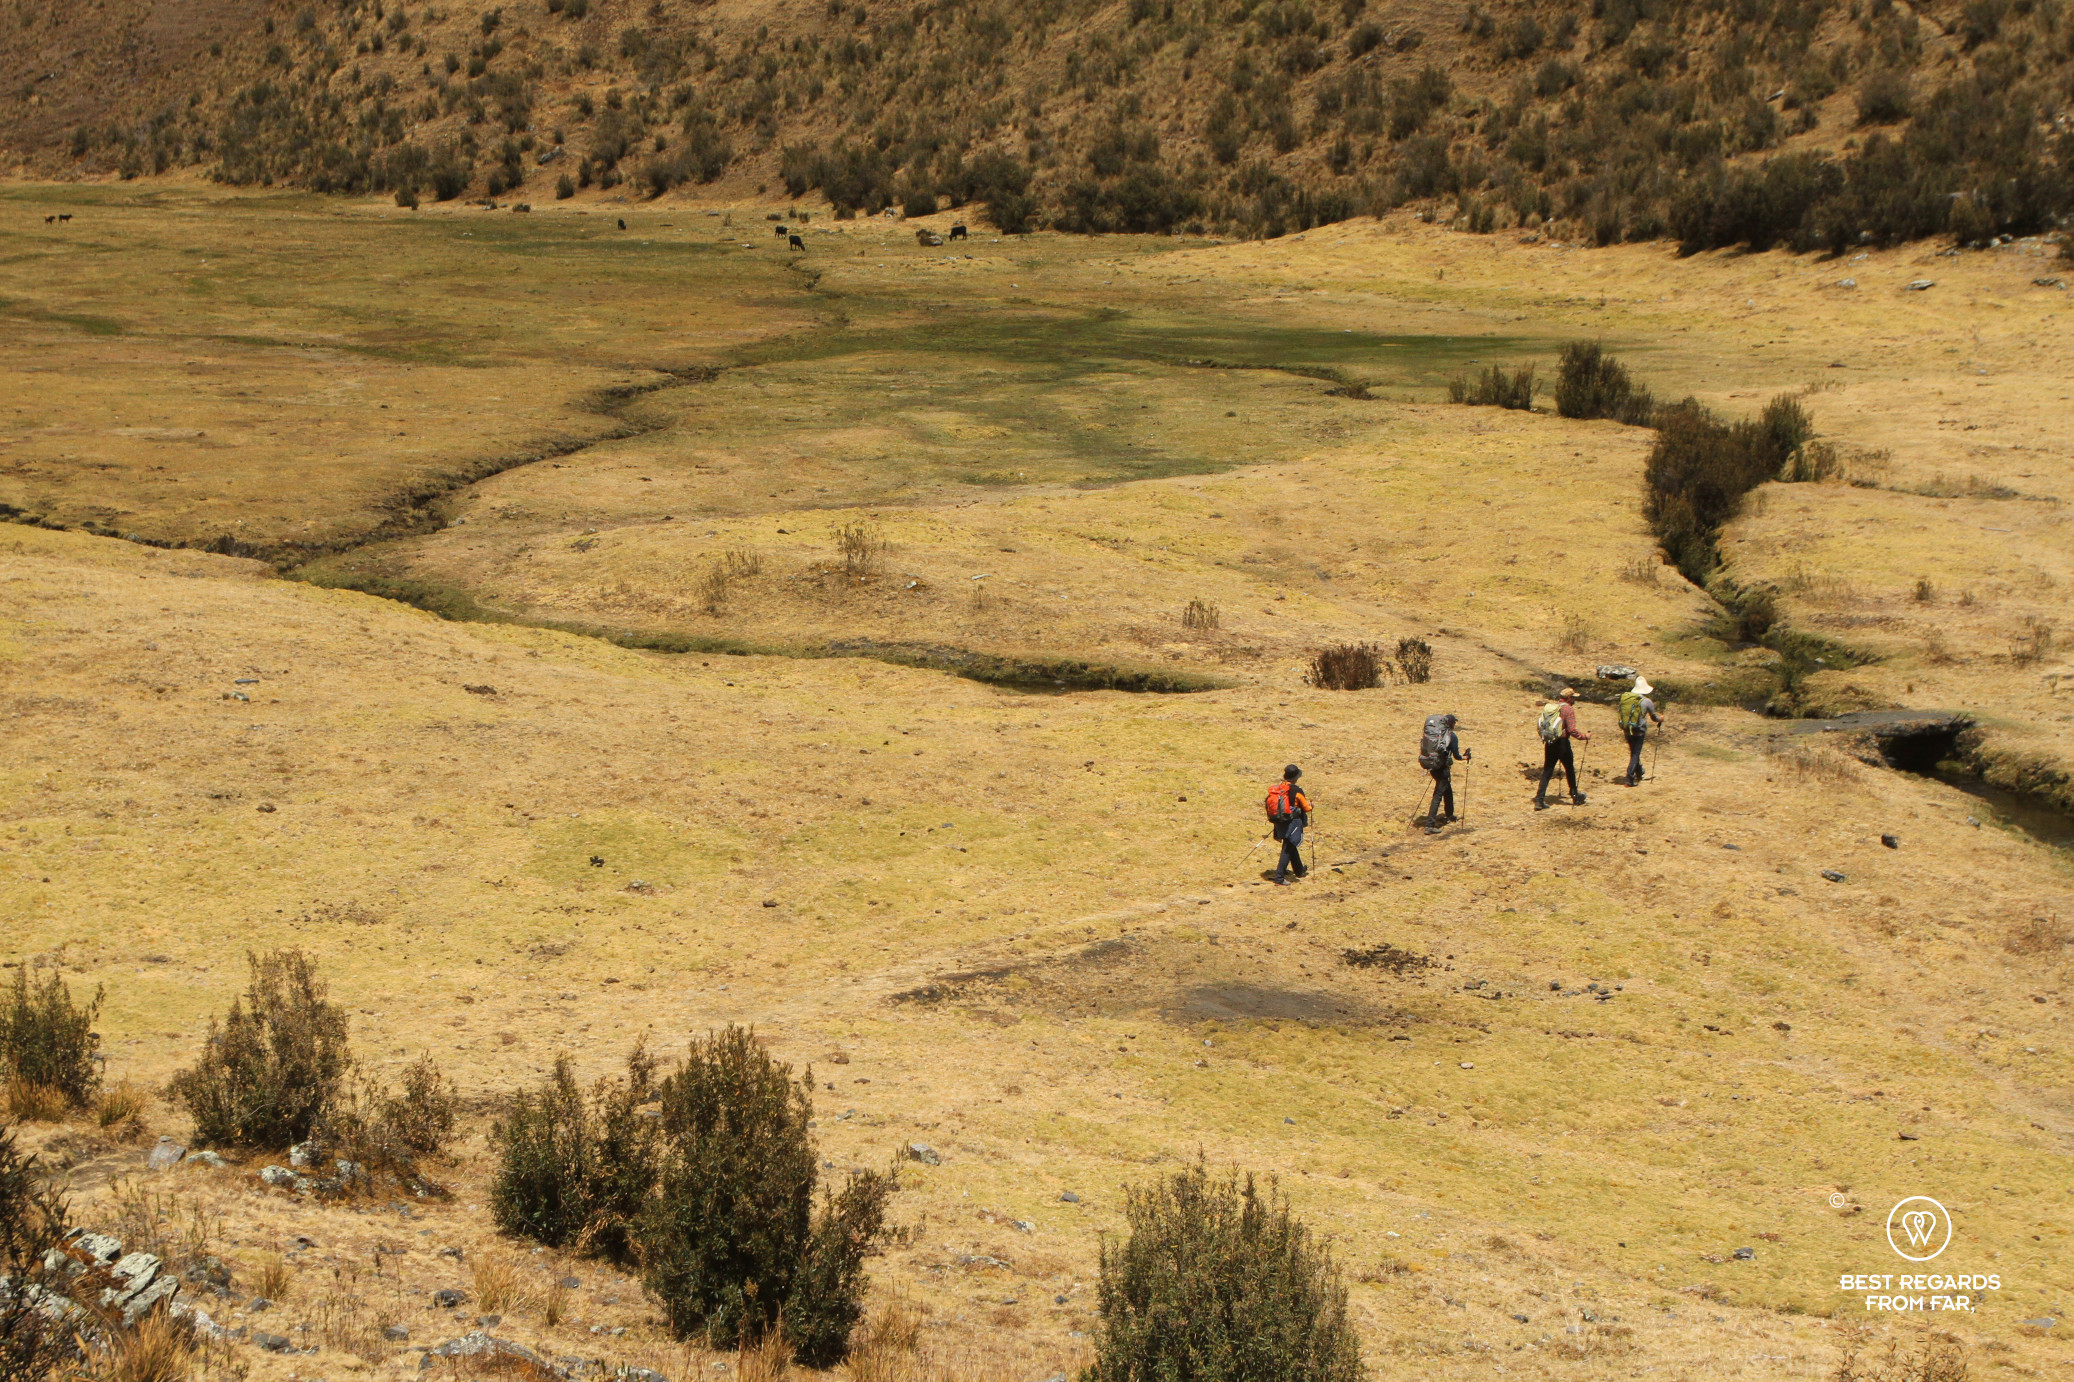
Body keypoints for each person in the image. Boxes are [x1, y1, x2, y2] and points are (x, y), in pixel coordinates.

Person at [1534, 687, 1590, 810]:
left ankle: (1539, 799)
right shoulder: (1568, 709)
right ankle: (1575, 796)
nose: (1574, 699)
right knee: (1569, 769)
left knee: (1547, 771)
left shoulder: (1553, 708)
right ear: (1569, 698)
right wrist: (1584, 737)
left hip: (1550, 742)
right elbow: (1571, 729)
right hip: (1563, 743)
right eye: (1573, 697)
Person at [1420, 713, 1470, 831]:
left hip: (1432, 766)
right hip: (1442, 768)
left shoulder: (1435, 734)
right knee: (1438, 794)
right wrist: (1465, 758)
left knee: (1447, 788)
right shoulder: (1451, 736)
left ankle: (1449, 815)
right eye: (1454, 723)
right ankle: (1430, 825)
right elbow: (1457, 756)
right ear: (1451, 724)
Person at [1264, 764, 1311, 885]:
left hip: (1280, 821)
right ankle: (1279, 877)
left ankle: (1299, 870)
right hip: (1293, 821)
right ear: (1296, 778)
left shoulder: (1279, 789)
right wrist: (1311, 805)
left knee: (1290, 845)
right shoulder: (1297, 790)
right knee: (1288, 847)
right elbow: (1306, 808)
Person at [1618, 676, 1664, 787]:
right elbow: (1654, 718)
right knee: (1635, 753)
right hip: (1639, 731)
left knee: (1633, 752)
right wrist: (1660, 719)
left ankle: (1639, 772)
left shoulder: (1627, 699)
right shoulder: (1647, 702)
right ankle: (1629, 778)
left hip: (1627, 729)